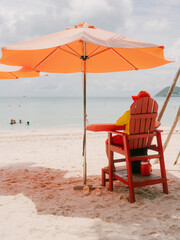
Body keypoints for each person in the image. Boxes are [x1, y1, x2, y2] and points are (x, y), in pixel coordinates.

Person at [105, 91, 151, 173]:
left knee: (108, 141)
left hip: (128, 141)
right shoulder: (151, 114)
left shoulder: (129, 113)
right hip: (143, 142)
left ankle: (111, 165)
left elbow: (118, 123)